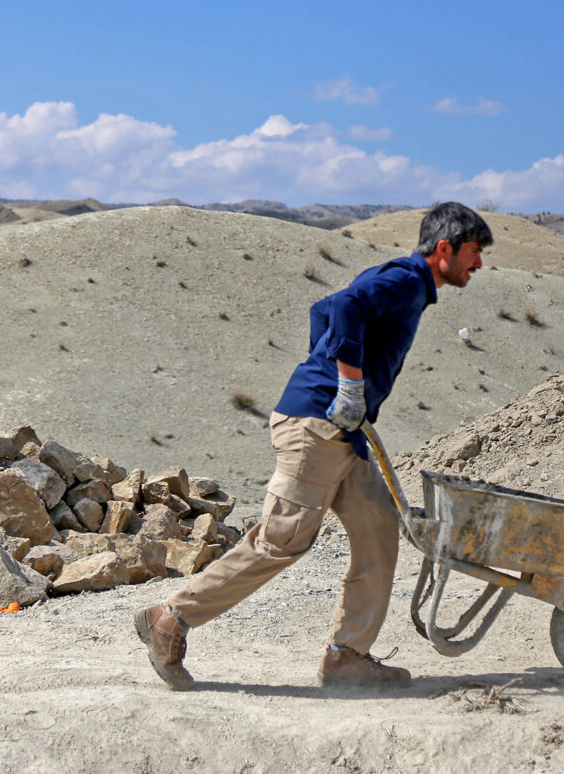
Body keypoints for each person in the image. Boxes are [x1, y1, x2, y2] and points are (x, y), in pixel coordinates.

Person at [134, 201, 492, 690]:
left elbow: (321, 309)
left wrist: (330, 371)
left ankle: (347, 655)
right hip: (317, 428)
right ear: (445, 248)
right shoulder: (408, 278)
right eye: (473, 252)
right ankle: (170, 618)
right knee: (283, 540)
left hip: (343, 435)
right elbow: (343, 308)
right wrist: (342, 385)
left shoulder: (404, 281)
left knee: (379, 528)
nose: (478, 264)